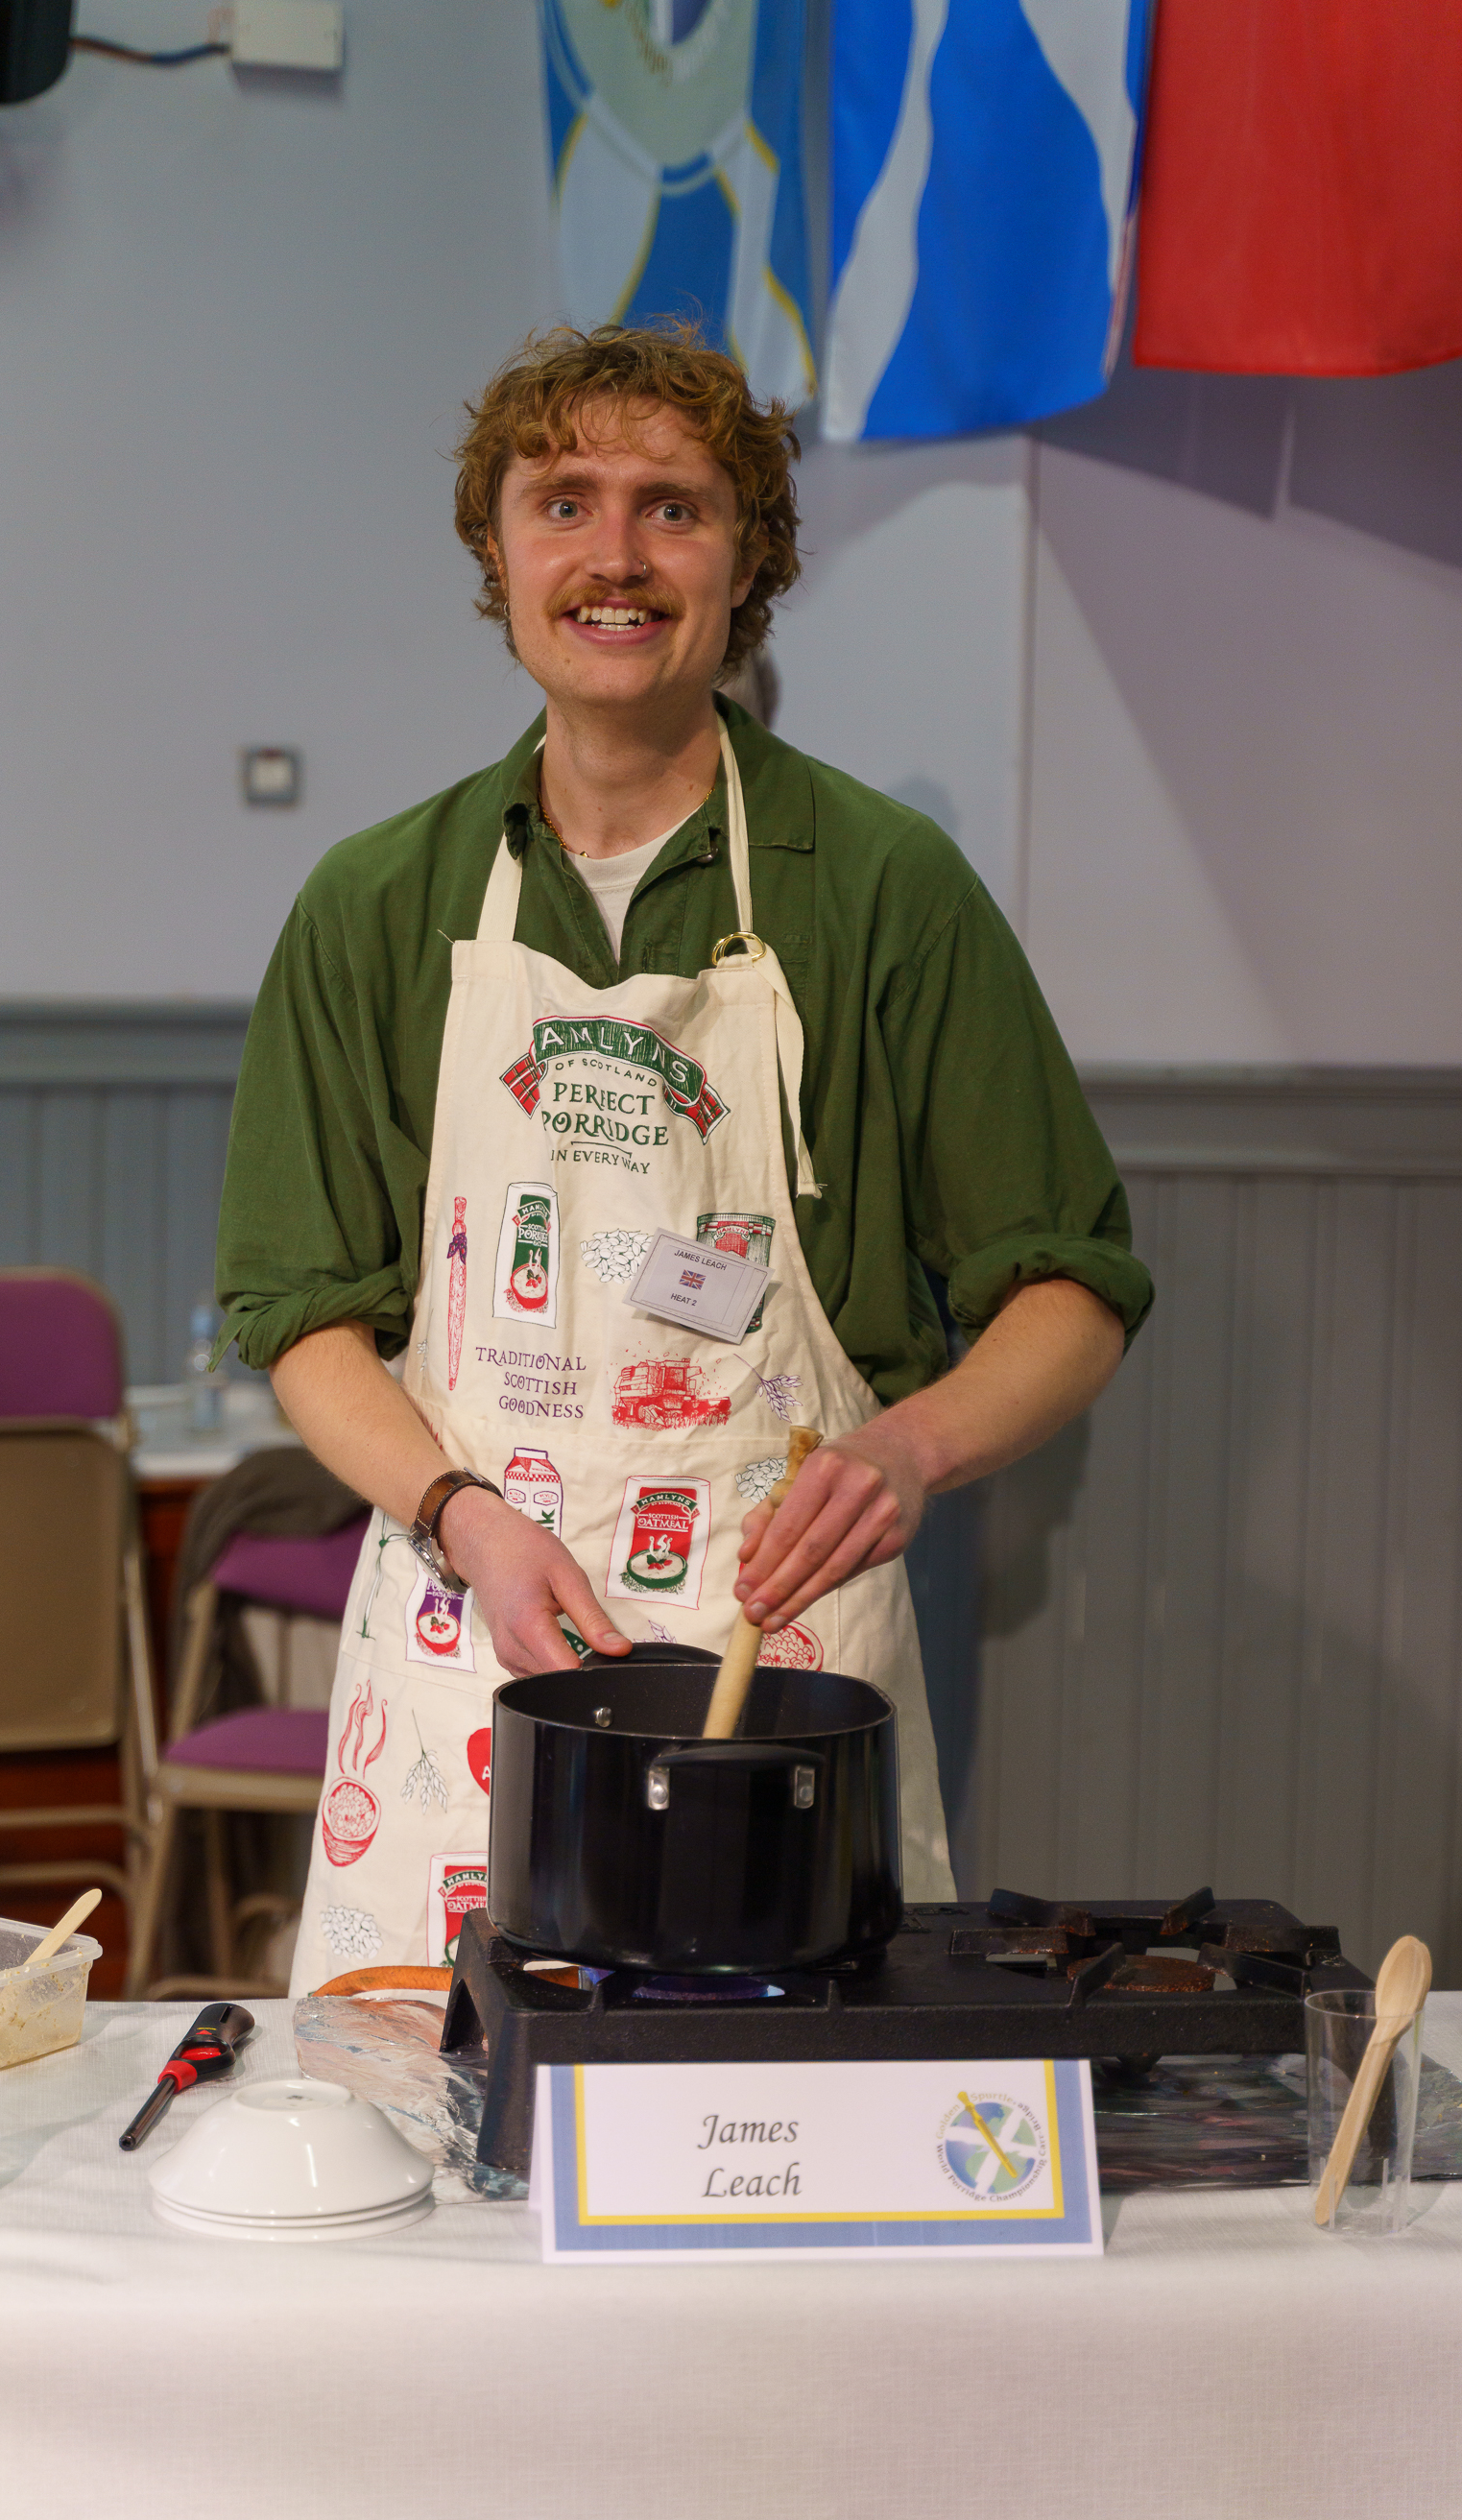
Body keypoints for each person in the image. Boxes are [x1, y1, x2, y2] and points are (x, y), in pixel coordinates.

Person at [215, 324, 1153, 1991]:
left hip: (770, 1638)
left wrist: (914, 1452)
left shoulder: (881, 885)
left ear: (749, 562)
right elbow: (300, 1314)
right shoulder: (377, 903)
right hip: (467, 1636)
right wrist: (464, 1516)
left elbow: (1070, 1285)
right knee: (428, 2160)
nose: (615, 556)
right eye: (561, 502)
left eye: (675, 507)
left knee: (778, 2150)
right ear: (497, 553)